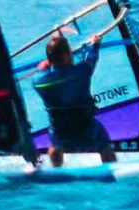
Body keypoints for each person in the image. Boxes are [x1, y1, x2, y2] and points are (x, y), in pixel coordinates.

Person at [34, 26, 118, 169]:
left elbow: (46, 70)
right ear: (67, 55)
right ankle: (111, 167)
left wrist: (46, 65)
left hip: (61, 135)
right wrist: (95, 44)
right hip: (86, 132)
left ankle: (56, 167)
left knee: (54, 144)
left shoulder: (39, 82)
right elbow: (92, 57)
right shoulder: (82, 71)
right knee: (104, 143)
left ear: (49, 59)